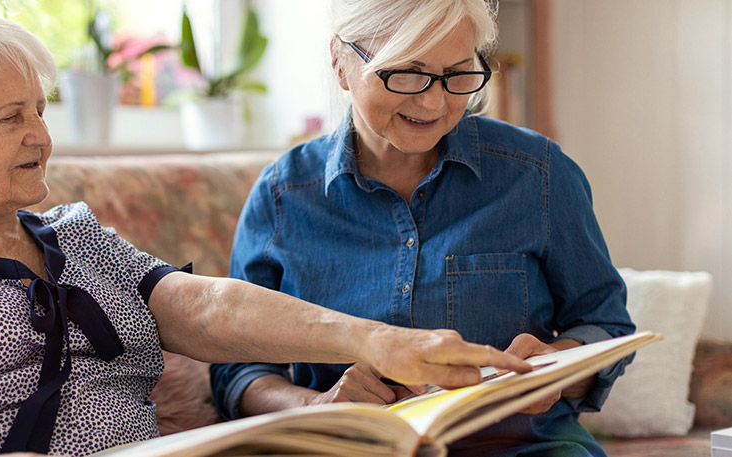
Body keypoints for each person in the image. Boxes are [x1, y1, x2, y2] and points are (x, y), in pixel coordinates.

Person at [0, 7, 533, 457]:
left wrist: (373, 339)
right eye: (9, 118)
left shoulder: (72, 235)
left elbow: (202, 307)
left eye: (40, 111)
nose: (41, 137)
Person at [210, 0, 636, 456]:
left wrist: (559, 366)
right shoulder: (283, 196)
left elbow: (604, 323)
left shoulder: (537, 174)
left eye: (457, 74)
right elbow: (237, 368)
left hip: (525, 447)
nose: (434, 102)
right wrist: (317, 405)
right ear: (341, 62)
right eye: (406, 73)